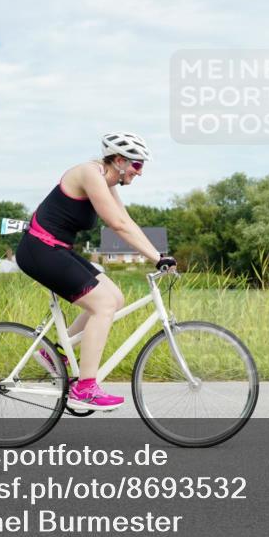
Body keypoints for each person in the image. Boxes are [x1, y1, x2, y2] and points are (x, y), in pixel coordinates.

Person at [15, 132, 177, 411]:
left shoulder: (107, 179)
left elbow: (126, 220)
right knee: (102, 304)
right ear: (118, 160)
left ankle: (56, 355)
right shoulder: (90, 173)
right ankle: (85, 387)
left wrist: (159, 255)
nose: (140, 172)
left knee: (115, 297)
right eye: (136, 165)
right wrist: (155, 258)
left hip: (57, 249)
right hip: (39, 249)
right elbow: (116, 224)